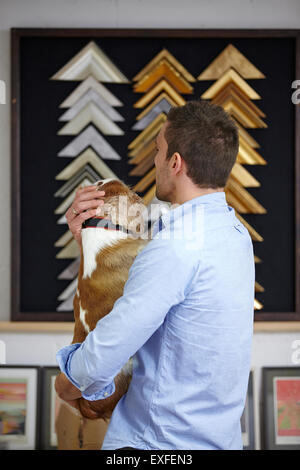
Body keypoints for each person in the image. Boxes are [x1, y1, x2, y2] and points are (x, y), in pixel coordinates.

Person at [55, 99, 255, 450]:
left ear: (175, 163)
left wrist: (67, 384)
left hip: (158, 445)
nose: (156, 160)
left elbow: (105, 355)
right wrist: (90, 239)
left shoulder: (174, 248)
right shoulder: (234, 235)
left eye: (159, 151)